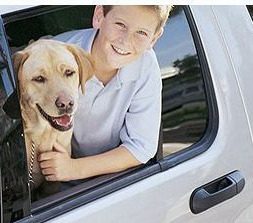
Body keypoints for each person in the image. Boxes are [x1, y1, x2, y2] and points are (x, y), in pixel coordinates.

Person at [39, 5, 172, 181]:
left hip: (106, 180)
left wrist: (75, 168)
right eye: (120, 24)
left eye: (141, 33)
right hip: (51, 178)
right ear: (99, 16)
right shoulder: (58, 56)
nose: (125, 41)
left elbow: (141, 146)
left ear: (154, 39)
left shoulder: (146, 67)